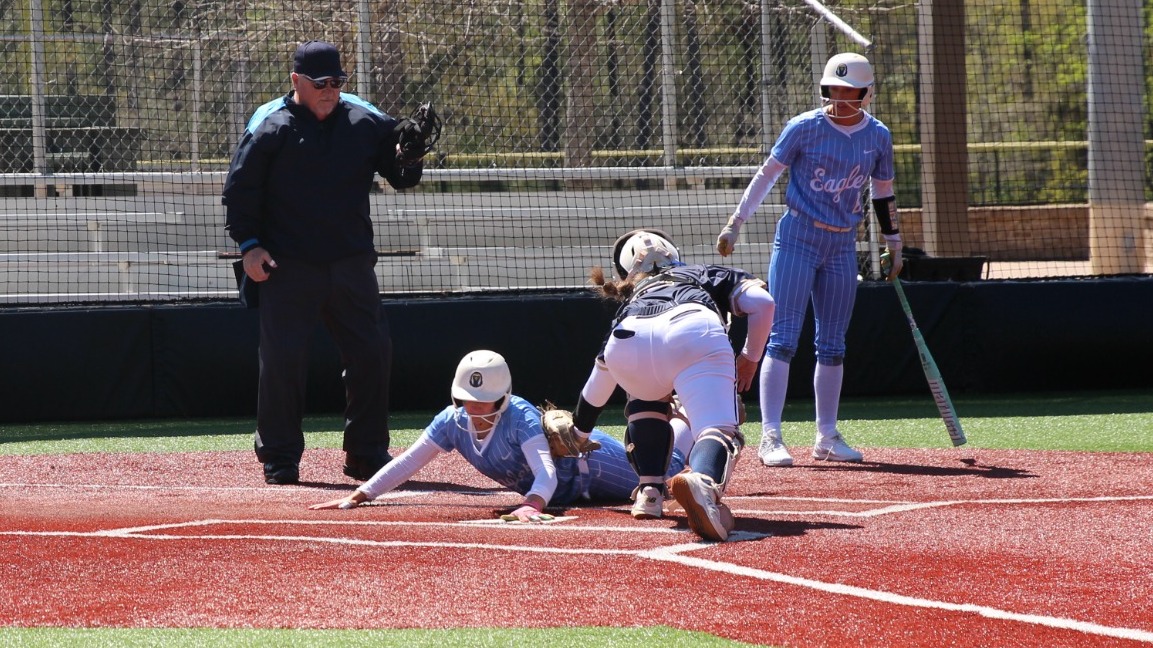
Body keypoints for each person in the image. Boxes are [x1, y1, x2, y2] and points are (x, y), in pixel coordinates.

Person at [222, 40, 426, 485]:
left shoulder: (364, 119)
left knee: (372, 354)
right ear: (296, 81)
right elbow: (240, 190)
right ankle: (279, 456)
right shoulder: (268, 124)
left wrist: (412, 154)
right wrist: (250, 245)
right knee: (282, 361)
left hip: (351, 262)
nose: (330, 90)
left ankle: (367, 454)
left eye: (337, 82)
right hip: (288, 264)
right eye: (321, 83)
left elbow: (401, 175)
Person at [715, 52, 904, 468]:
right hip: (798, 237)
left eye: (849, 91)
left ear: (866, 93)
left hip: (841, 245)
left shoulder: (878, 136)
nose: (840, 98)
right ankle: (771, 436)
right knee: (781, 339)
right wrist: (736, 222)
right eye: (833, 90)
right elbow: (767, 174)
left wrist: (895, 241)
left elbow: (883, 192)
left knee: (833, 345)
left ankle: (827, 436)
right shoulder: (804, 127)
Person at [564, 229, 775, 541]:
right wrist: (750, 357)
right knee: (718, 430)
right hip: (691, 327)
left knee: (645, 395)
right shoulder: (700, 272)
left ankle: (649, 491)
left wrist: (577, 435)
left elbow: (599, 382)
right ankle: (703, 479)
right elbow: (763, 302)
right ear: (673, 255)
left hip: (628, 338)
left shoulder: (629, 301)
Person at [310, 350, 695, 520]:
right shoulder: (450, 421)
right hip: (570, 491)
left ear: (504, 396)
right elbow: (411, 459)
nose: (475, 408)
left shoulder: (521, 418)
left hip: (594, 466)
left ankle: (686, 419)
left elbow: (545, 473)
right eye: (468, 400)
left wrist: (531, 506)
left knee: (670, 468)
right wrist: (362, 494)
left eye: (486, 401)